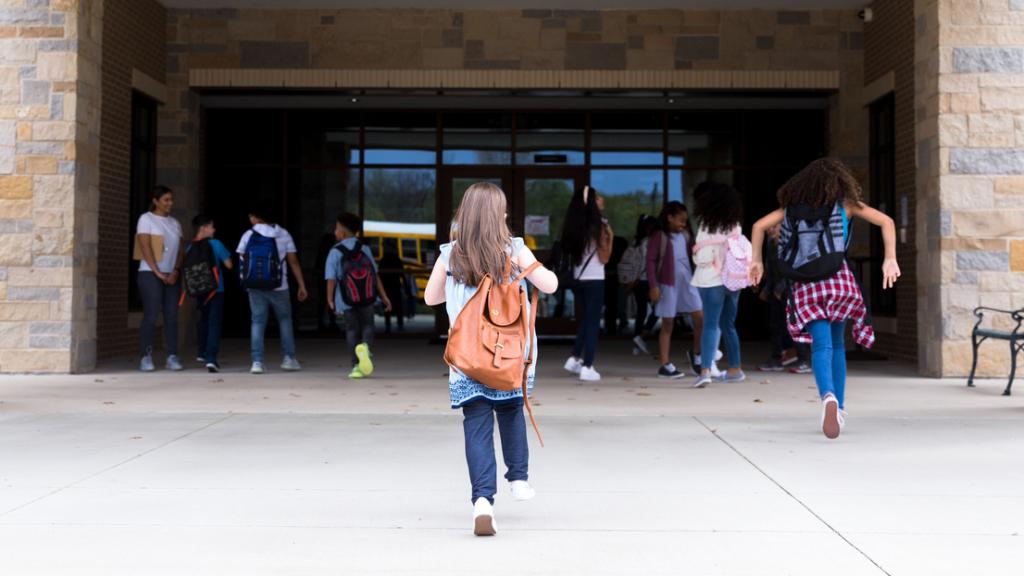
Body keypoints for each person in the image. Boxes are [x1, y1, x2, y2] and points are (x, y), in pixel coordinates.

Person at [424, 182, 558, 536]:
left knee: (477, 426)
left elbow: (430, 299)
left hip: (467, 358)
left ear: (464, 216)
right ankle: (518, 477)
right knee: (512, 410)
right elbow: (550, 285)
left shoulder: (450, 254)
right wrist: (523, 267)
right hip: (510, 355)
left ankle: (482, 501)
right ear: (499, 215)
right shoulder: (514, 249)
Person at [751, 158, 900, 439]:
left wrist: (756, 261)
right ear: (840, 182)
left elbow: (759, 226)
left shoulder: (791, 210)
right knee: (837, 346)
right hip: (839, 279)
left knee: (821, 346)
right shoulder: (846, 205)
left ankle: (827, 397)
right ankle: (839, 407)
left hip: (806, 284)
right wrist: (889, 259)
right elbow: (886, 222)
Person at [236, 207, 308, 374]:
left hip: (254, 286)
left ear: (257, 218)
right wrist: (302, 285)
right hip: (279, 285)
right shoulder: (283, 234)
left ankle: (257, 362)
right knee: (285, 320)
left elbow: (242, 258)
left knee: (258, 322)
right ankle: (289, 359)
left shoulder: (249, 235)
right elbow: (294, 262)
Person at [692, 182, 746, 388]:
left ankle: (705, 370)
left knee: (710, 324)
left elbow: (702, 258)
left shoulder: (707, 225)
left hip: (711, 279)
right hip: (733, 280)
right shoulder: (736, 225)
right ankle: (735, 368)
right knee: (729, 325)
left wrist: (700, 256)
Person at [325, 212, 392, 379]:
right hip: (367, 297)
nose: (335, 232)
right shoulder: (364, 249)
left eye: (336, 229)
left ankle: (355, 366)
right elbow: (375, 275)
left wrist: (330, 299)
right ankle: (366, 349)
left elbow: (331, 279)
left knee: (351, 329)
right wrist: (384, 296)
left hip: (346, 299)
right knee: (368, 325)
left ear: (342, 232)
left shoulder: (335, 252)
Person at [646, 202, 706, 379]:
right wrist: (653, 285)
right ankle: (665, 365)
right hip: (667, 285)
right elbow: (650, 261)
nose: (683, 225)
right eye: (680, 221)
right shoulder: (660, 236)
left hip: (688, 283)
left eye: (685, 221)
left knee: (700, 317)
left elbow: (695, 255)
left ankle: (696, 354)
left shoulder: (686, 235)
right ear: (669, 217)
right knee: (668, 324)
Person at [560, 185, 613, 382]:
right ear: (590, 202)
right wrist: (610, 235)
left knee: (587, 320)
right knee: (593, 323)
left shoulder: (574, 225)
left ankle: (574, 358)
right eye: (597, 198)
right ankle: (588, 366)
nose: (601, 200)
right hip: (595, 279)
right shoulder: (599, 225)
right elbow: (605, 257)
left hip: (578, 279)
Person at [135, 185, 185, 372]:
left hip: (172, 275)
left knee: (171, 316)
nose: (170, 203)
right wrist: (157, 272)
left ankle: (172, 356)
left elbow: (180, 250)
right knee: (151, 313)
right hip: (150, 274)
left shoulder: (175, 223)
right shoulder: (146, 219)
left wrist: (176, 271)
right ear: (156, 201)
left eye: (171, 199)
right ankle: (146, 356)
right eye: (166, 200)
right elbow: (145, 246)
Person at [756, 223, 810, 374]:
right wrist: (767, 289)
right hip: (775, 290)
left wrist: (781, 288)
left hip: (791, 289)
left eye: (775, 227)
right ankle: (776, 359)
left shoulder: (791, 243)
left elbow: (793, 268)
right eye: (769, 227)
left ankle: (803, 359)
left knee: (795, 324)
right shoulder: (770, 243)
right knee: (775, 325)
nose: (771, 230)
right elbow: (770, 268)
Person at [188, 214, 233, 373]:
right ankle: (211, 359)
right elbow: (229, 265)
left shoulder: (190, 247)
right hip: (216, 289)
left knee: (204, 320)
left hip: (200, 291)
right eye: (212, 226)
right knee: (214, 323)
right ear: (204, 228)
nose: (214, 229)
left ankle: (201, 352)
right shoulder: (216, 244)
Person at [618, 215, 657, 355]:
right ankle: (641, 338)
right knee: (658, 308)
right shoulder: (649, 242)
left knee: (641, 312)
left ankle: (637, 342)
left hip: (637, 282)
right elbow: (646, 264)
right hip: (645, 280)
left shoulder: (635, 242)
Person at [378, 242, 406, 333]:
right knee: (398, 306)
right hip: (395, 285)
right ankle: (399, 324)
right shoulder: (396, 259)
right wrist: (406, 286)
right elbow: (402, 274)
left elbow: (379, 274)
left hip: (387, 286)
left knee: (388, 306)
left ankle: (388, 324)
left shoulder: (383, 260)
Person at [603, 235, 629, 336]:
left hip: (609, 276)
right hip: (616, 276)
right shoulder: (620, 246)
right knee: (616, 303)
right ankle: (616, 324)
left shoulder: (609, 247)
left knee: (610, 304)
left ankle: (610, 325)